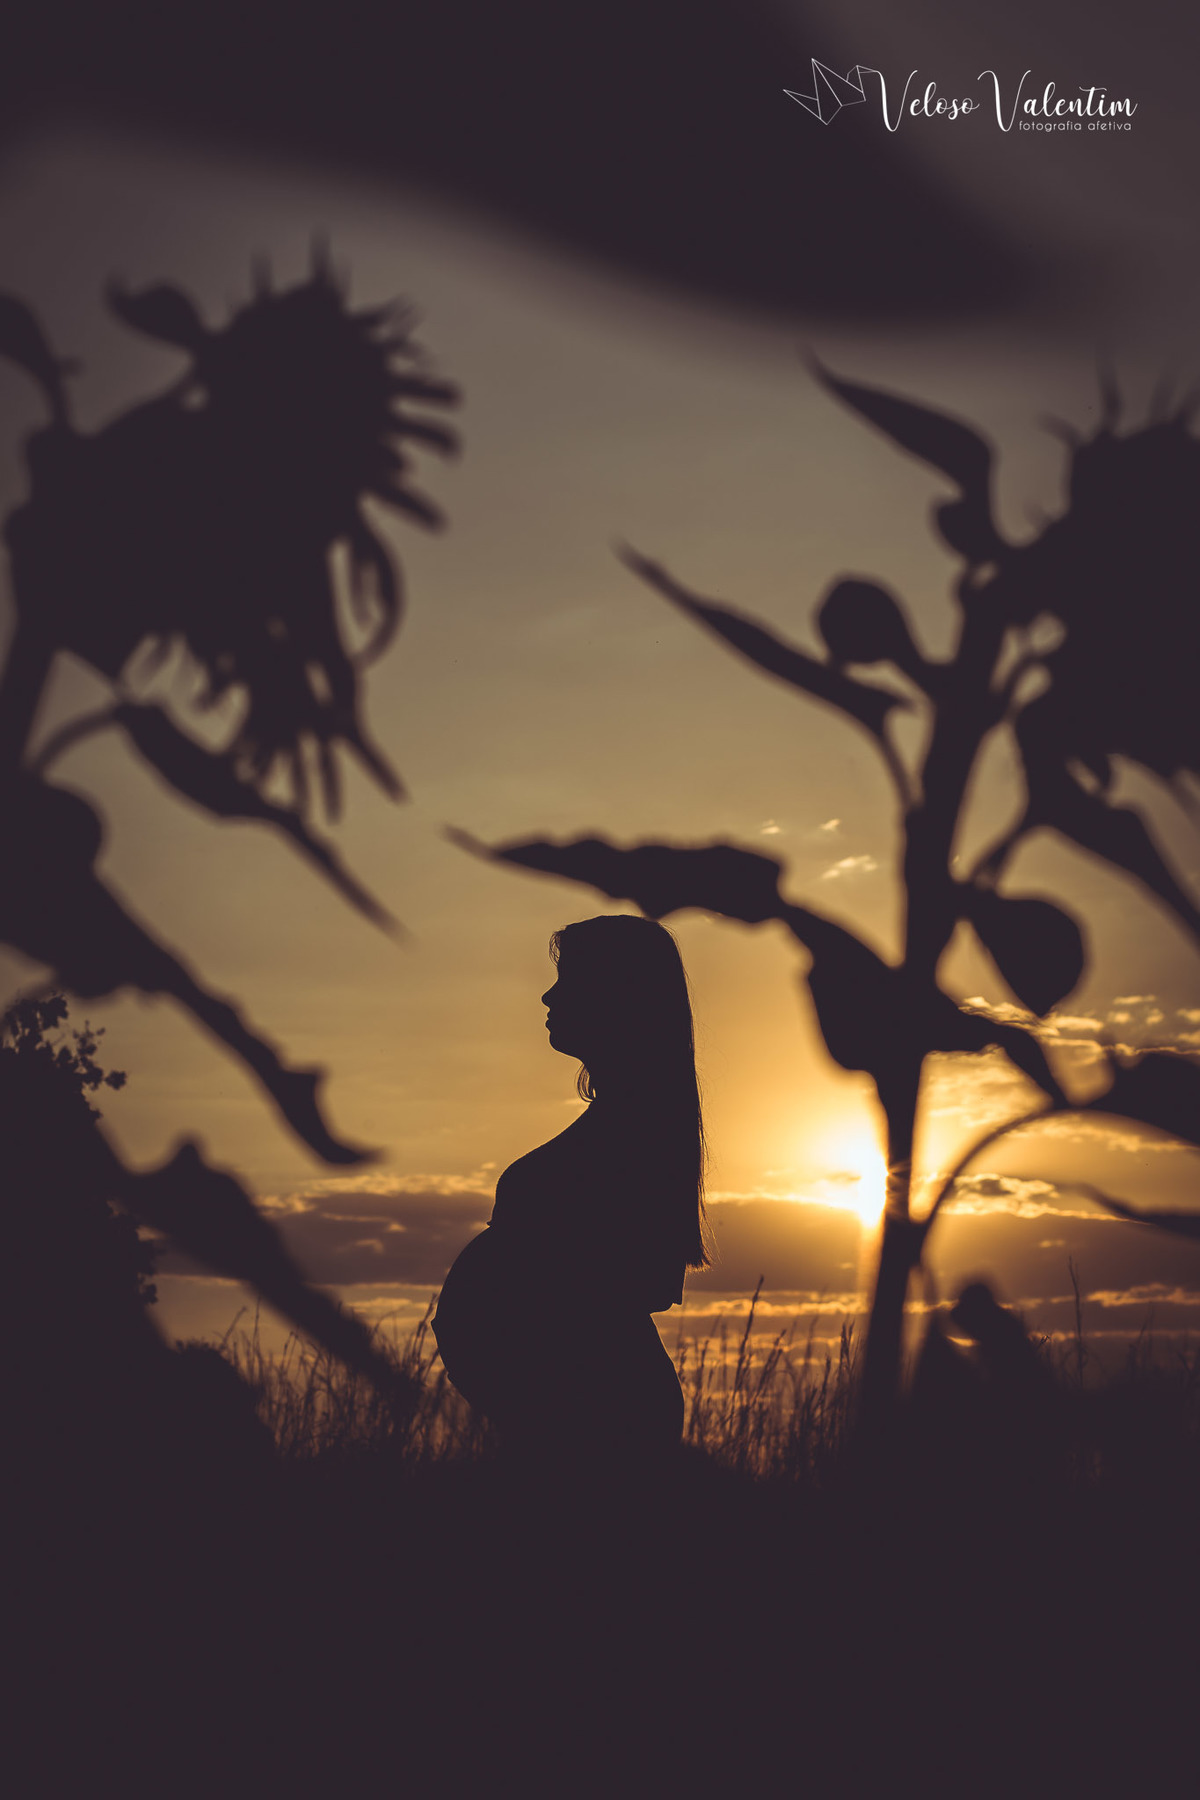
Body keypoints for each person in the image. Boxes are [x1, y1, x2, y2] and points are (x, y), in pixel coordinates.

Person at [432, 914, 709, 1466]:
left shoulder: (637, 1131)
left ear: (617, 996)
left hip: (598, 1409)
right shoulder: (630, 1122)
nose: (548, 995)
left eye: (571, 979)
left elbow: (624, 1283)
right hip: (578, 1405)